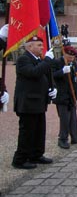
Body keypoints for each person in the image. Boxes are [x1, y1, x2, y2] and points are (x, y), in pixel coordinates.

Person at [12, 36, 57, 170]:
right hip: (27, 103)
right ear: (29, 46)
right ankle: (20, 159)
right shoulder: (23, 59)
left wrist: (52, 87)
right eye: (38, 45)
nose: (42, 48)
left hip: (38, 101)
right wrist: (48, 60)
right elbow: (34, 73)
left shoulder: (38, 59)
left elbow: (46, 75)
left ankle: (36, 154)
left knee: (39, 130)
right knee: (27, 132)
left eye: (42, 45)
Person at [52, 45, 77, 149]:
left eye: (73, 57)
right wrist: (62, 72)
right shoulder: (57, 62)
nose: (71, 59)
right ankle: (62, 139)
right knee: (64, 118)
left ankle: (75, 137)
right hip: (61, 95)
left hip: (71, 95)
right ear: (64, 54)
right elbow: (51, 76)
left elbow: (76, 81)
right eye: (69, 57)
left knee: (73, 117)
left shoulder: (73, 64)